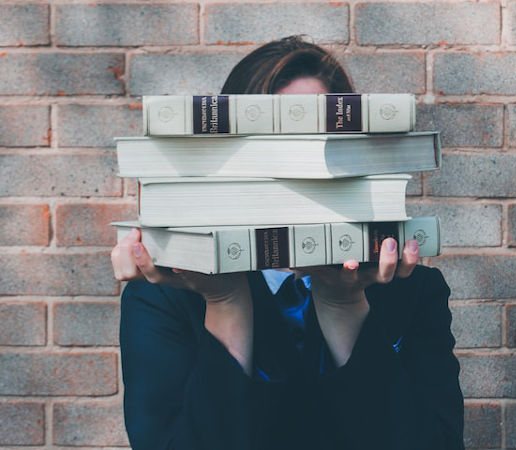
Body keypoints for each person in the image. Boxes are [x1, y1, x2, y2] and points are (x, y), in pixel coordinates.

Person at [112, 36, 464, 450]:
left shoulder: (413, 290)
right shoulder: (168, 294)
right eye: (270, 149)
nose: (296, 175)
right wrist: (226, 305)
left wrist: (345, 309)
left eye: (314, 146)